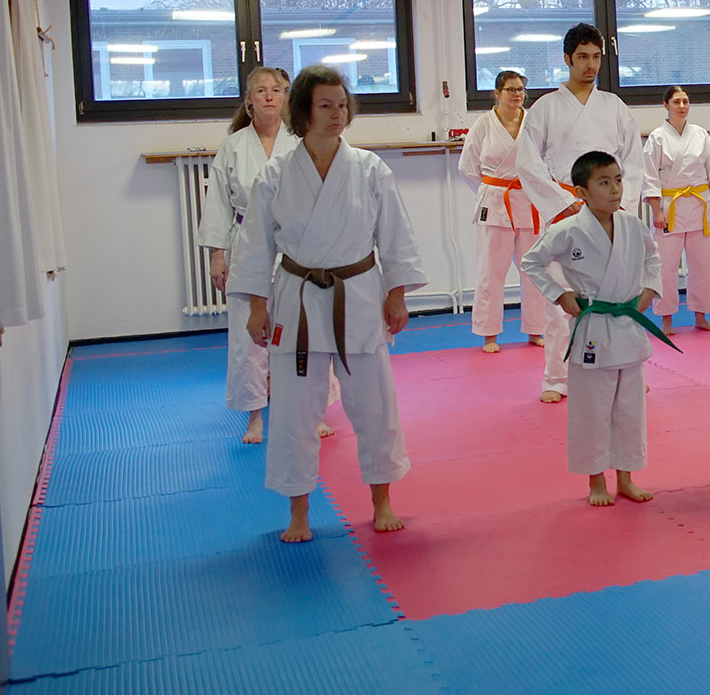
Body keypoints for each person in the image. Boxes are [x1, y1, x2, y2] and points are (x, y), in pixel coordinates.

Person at [231, 65, 425, 542]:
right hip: (296, 297)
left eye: (342, 105)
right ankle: (298, 511)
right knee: (294, 411)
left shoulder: (370, 169)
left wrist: (397, 295)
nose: (337, 114)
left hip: (357, 293)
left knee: (374, 405)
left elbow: (395, 236)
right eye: (325, 105)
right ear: (303, 113)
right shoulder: (276, 174)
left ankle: (382, 500)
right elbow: (256, 247)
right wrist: (257, 306)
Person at [520, 150, 664, 506]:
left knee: (630, 410)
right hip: (593, 328)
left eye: (618, 180)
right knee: (592, 410)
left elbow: (652, 256)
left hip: (628, 325)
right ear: (581, 192)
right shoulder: (567, 230)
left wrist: (650, 288)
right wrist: (560, 293)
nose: (615, 189)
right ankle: (596, 481)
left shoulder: (632, 224)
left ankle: (626, 478)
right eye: (604, 182)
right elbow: (531, 261)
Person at [199, 66, 334, 445]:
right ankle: (255, 416)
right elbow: (218, 207)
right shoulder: (233, 147)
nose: (269, 96)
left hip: (297, 243)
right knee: (249, 334)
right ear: (249, 100)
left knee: (306, 328)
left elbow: (323, 195)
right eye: (261, 90)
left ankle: (312, 412)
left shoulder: (302, 141)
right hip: (247, 243)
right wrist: (217, 256)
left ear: (286, 97)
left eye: (276, 90)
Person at [516, 24, 644, 404]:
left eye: (596, 57)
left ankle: (622, 368)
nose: (591, 65)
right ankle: (557, 377)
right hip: (566, 209)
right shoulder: (545, 108)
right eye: (583, 57)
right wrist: (564, 202)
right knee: (563, 300)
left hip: (609, 212)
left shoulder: (615, 107)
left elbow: (633, 162)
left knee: (615, 295)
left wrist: (620, 204)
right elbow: (528, 163)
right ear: (567, 59)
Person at [459, 70, 550, 353]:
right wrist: (489, 191)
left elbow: (546, 161)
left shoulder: (534, 123)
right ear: (497, 93)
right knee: (491, 271)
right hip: (496, 201)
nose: (517, 95)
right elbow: (467, 166)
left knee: (534, 269)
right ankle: (489, 334)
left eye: (521, 89)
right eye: (511, 90)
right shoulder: (484, 124)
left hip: (529, 202)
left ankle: (536, 329)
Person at [642, 85, 710, 334]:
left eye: (685, 101)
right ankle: (666, 319)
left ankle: (701, 315)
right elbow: (649, 177)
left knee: (703, 266)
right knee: (665, 267)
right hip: (670, 208)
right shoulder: (657, 138)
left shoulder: (700, 135)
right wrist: (656, 211)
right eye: (676, 102)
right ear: (666, 105)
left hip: (700, 206)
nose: (681, 106)